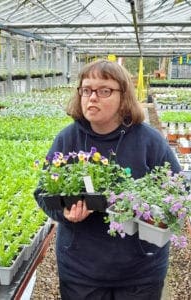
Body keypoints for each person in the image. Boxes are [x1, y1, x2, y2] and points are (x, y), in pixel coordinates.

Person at [34, 59, 181, 300]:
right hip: (81, 271)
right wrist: (65, 213)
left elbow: (179, 191)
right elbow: (42, 193)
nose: (92, 97)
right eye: (86, 89)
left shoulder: (149, 141)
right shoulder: (67, 139)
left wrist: (156, 213)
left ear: (123, 97)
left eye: (104, 90)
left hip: (140, 272)